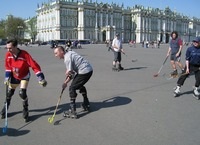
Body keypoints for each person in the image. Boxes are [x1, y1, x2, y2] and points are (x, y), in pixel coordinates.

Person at [1, 39, 47, 122]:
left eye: (10, 48)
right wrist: (7, 77)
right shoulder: (8, 55)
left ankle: (25, 109)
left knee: (22, 93)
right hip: (14, 76)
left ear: (15, 46)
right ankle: (5, 108)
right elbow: (8, 67)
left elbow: (34, 65)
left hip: (24, 76)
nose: (8, 50)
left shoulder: (24, 54)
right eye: (7, 48)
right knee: (9, 93)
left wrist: (41, 78)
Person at [54, 46, 93, 118]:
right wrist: (66, 81)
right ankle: (86, 103)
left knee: (72, 88)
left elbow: (71, 74)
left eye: (56, 53)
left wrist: (65, 83)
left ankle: (73, 111)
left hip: (84, 71)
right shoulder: (69, 53)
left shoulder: (67, 59)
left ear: (62, 52)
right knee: (79, 85)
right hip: (88, 70)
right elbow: (73, 74)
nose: (55, 55)